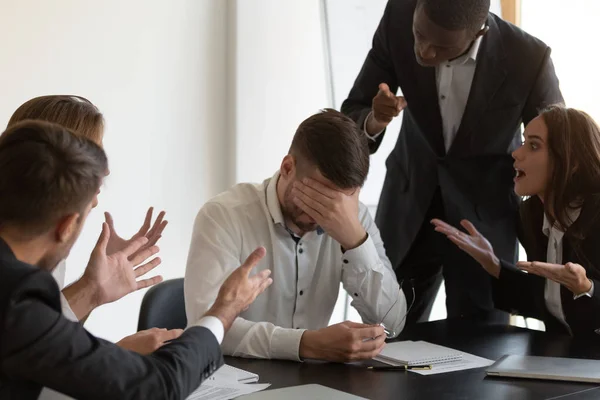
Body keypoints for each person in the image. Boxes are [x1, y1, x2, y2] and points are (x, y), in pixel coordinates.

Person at [0, 120, 272, 399]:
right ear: (67, 226)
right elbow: (160, 386)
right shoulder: (17, 297)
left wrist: (91, 291)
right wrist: (223, 312)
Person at [341, 0, 564, 326]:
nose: (424, 52)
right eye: (419, 35)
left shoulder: (529, 58)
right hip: (408, 212)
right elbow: (352, 113)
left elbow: (556, 150)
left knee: (484, 355)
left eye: (442, 46)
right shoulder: (398, 18)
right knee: (384, 341)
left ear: (480, 31)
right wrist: (374, 119)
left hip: (485, 227)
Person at [185, 109, 407, 363]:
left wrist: (356, 242)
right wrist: (306, 344)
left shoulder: (352, 218)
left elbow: (394, 322)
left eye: (338, 202)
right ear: (288, 167)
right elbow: (206, 327)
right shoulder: (223, 216)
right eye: (317, 196)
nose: (326, 213)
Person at [8, 95, 171, 349]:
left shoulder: (48, 237)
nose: (105, 172)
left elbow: (46, 333)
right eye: (94, 155)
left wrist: (94, 288)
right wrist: (119, 357)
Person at [432, 106, 600, 337]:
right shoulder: (530, 215)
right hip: (563, 358)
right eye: (523, 142)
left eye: (533, 145)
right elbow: (544, 302)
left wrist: (587, 288)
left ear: (572, 162)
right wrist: (493, 264)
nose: (516, 153)